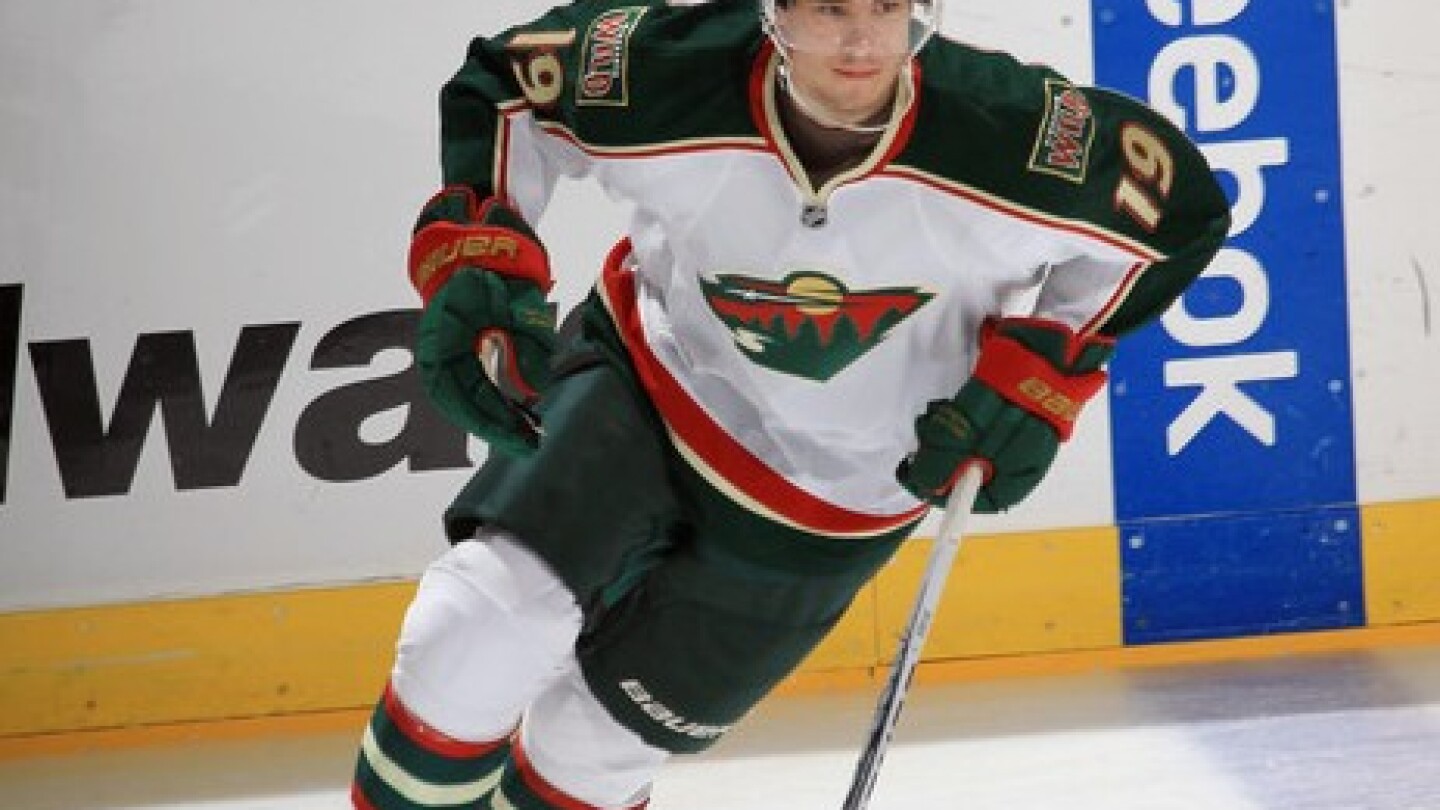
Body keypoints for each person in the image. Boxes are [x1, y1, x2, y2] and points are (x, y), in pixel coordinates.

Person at [352, 0, 1231, 807]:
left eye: (887, 7)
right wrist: (479, 253)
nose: (861, 39)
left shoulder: (1016, 133)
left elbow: (1178, 215)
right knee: (474, 633)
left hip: (837, 498)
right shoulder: (666, 67)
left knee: (591, 750)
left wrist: (1043, 373)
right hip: (650, 385)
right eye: (828, 7)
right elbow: (508, 84)